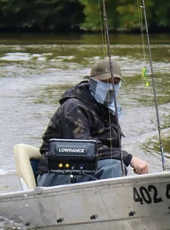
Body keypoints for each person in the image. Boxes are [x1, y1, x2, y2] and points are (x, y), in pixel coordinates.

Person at [36, 58, 149, 187]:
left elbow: (111, 149)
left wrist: (123, 158)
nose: (111, 88)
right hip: (56, 173)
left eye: (115, 83)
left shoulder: (107, 109)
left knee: (117, 165)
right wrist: (128, 158)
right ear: (92, 81)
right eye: (106, 82)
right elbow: (85, 148)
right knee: (114, 166)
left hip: (86, 171)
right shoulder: (73, 107)